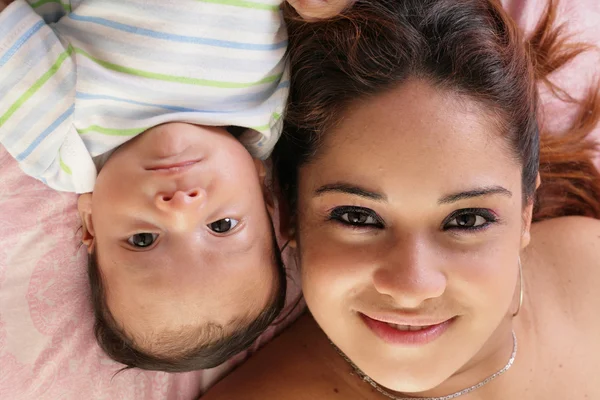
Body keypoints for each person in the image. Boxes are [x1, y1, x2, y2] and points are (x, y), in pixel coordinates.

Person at [203, 0, 600, 397]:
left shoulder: (589, 269)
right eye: (357, 217)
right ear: (288, 208)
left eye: (467, 220)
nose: (412, 285)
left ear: (526, 213)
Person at [0, 0, 352, 372]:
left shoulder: (60, 143)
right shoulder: (268, 119)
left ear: (90, 222)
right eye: (222, 226)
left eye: (143, 239)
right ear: (265, 193)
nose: (180, 205)